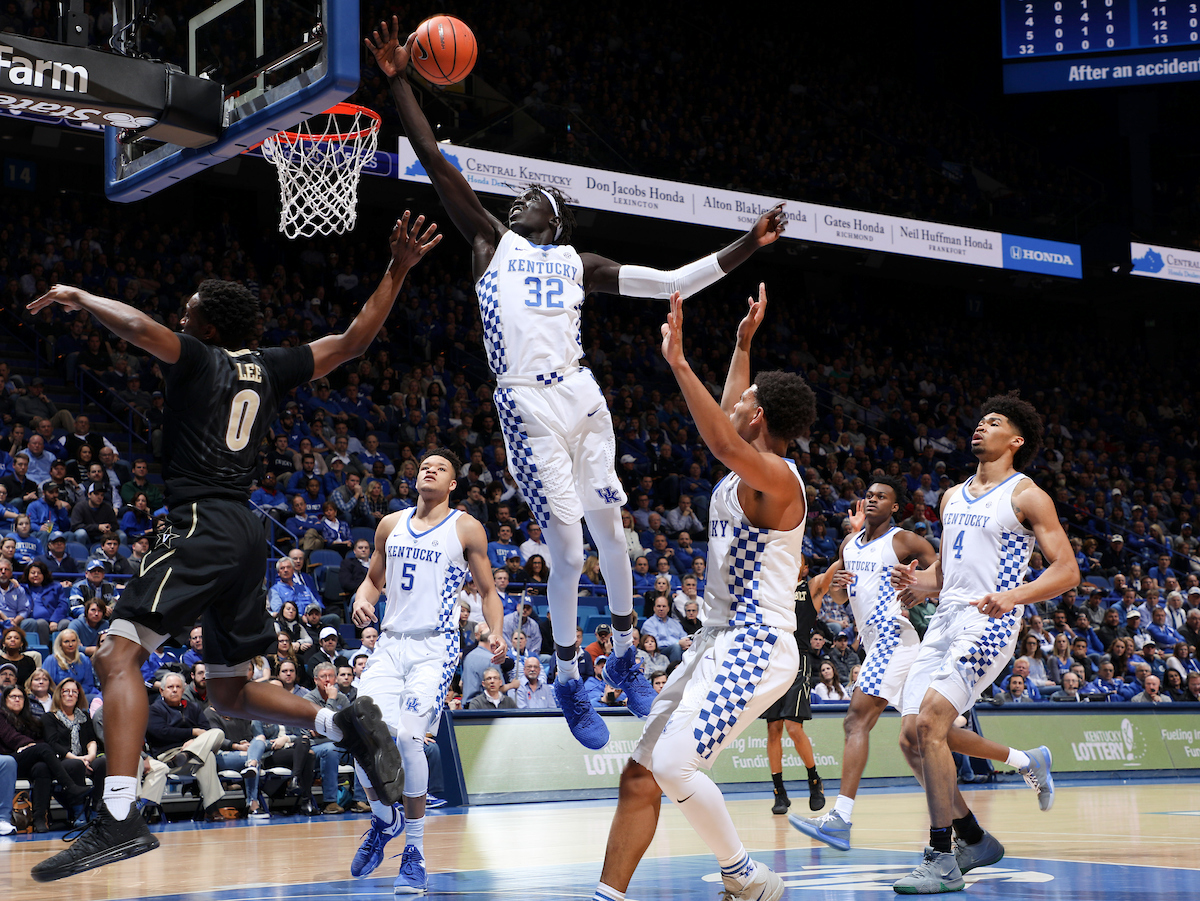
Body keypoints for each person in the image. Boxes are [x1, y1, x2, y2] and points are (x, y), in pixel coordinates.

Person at [369, 18, 789, 749]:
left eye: (528, 197)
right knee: (566, 549)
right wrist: (399, 79)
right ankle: (567, 675)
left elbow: (671, 282)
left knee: (615, 535)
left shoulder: (578, 262)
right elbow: (435, 161)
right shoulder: (488, 244)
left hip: (583, 395)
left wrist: (745, 245)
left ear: (552, 218)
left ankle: (623, 656)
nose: (514, 203)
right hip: (526, 400)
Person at [29, 213, 442, 882]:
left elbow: (138, 329)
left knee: (114, 653)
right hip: (248, 532)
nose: (181, 316)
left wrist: (81, 295)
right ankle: (341, 721)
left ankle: (118, 816)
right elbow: (357, 338)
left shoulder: (200, 355)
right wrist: (397, 268)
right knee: (229, 693)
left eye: (189, 310)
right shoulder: (273, 366)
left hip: (201, 522)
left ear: (208, 326)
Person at [593, 285, 814, 901]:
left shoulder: (776, 479)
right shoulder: (746, 463)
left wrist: (679, 362)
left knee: (672, 765)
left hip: (758, 643)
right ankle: (607, 897)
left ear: (759, 418)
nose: (732, 403)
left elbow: (721, 435)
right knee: (640, 775)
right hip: (714, 641)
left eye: (743, 400)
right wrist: (743, 343)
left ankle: (746, 877)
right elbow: (727, 419)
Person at [888, 393, 1080, 893]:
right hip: (945, 621)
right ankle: (974, 838)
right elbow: (947, 574)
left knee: (931, 724)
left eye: (992, 423)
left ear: (1015, 441)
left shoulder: (1027, 495)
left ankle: (941, 854)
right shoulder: (952, 496)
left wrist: (1012, 596)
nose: (980, 427)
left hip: (990, 623)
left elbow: (1067, 571)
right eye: (978, 421)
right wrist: (916, 585)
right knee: (912, 740)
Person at [346, 448, 506, 891]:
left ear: (453, 484)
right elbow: (373, 581)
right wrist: (363, 600)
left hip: (435, 648)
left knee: (407, 737)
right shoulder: (390, 525)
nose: (429, 470)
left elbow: (488, 590)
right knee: (356, 731)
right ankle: (384, 818)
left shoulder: (465, 527)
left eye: (440, 468)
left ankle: (413, 851)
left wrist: (495, 629)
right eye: (423, 466)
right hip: (391, 645)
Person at [762, 563, 831, 817]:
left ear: (804, 567)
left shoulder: (810, 587)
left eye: (796, 559)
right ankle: (779, 791)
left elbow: (833, 571)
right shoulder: (771, 588)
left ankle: (814, 781)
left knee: (793, 726)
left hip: (797, 657)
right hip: (772, 659)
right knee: (773, 729)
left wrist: (853, 537)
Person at [0, 684, 92, 832]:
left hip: (27, 762)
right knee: (42, 749)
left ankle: (40, 819)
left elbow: (41, 740)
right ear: (5, 700)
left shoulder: (29, 720)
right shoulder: (1, 716)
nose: (17, 700)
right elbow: (11, 738)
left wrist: (32, 746)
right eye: (13, 696)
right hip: (8, 763)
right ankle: (70, 786)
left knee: (42, 768)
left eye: (20, 697)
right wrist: (30, 745)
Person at [41, 678, 106, 813]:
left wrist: (91, 756)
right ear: (60, 694)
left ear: (79, 695)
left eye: (74, 692)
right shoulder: (49, 718)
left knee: (102, 762)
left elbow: (91, 739)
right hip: (62, 761)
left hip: (85, 759)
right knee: (76, 765)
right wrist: (79, 760)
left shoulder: (85, 716)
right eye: (66, 691)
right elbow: (53, 744)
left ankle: (96, 808)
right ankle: (78, 812)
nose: (70, 694)